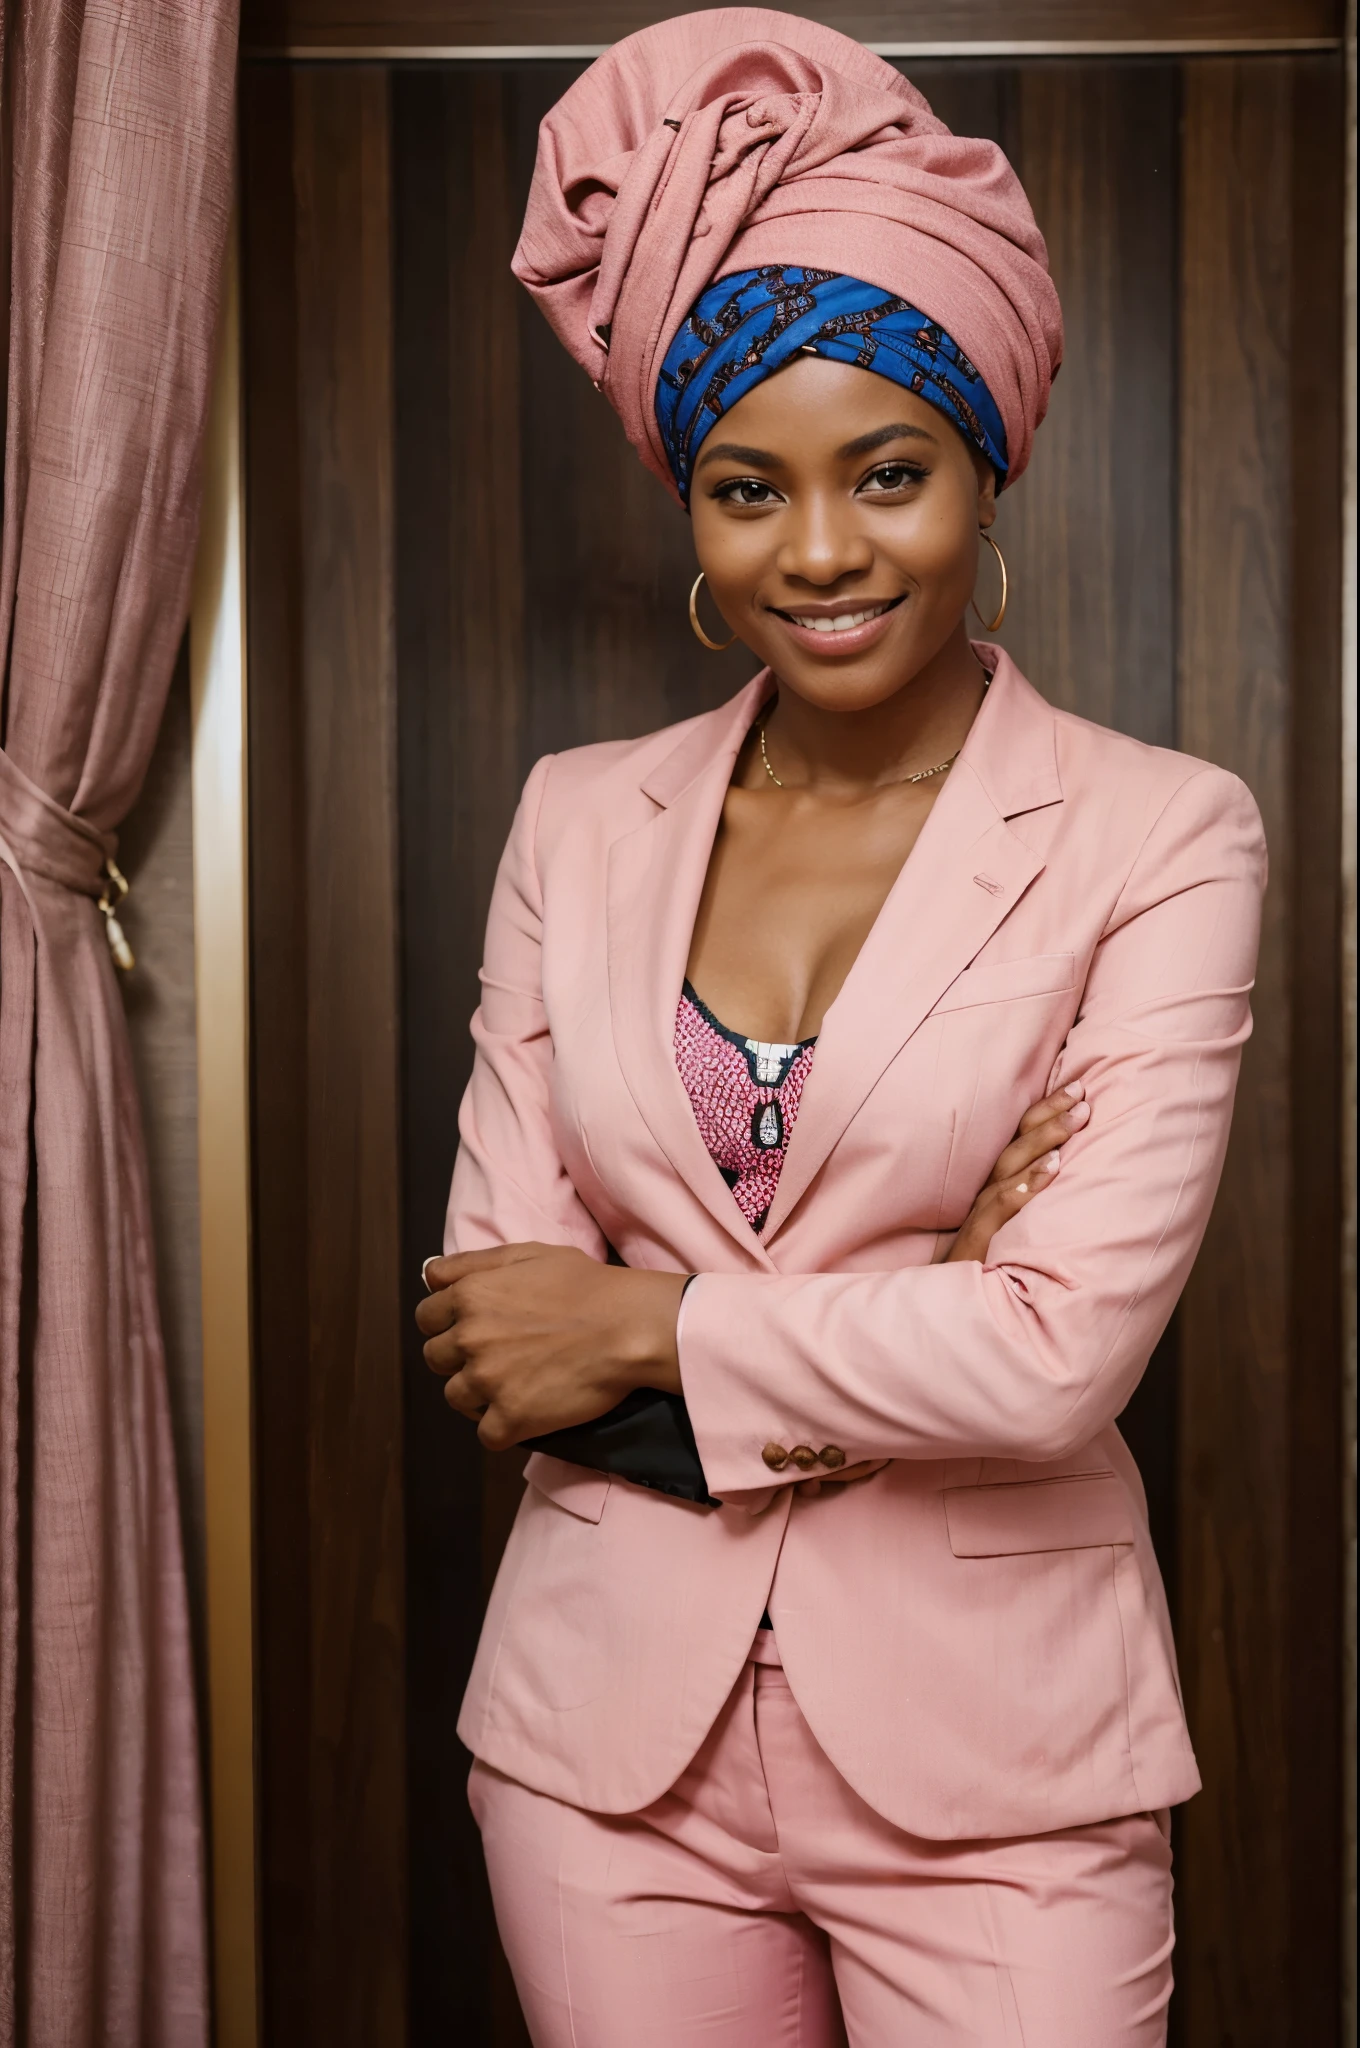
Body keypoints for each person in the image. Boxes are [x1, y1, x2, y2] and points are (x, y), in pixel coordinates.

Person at [416, 13, 1265, 2043]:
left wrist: (648, 1325)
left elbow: (1056, 1358)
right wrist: (930, 1298)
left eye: (883, 474)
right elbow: (493, 1338)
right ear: (687, 508)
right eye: (743, 490)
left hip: (1002, 1773)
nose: (815, 552)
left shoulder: (1160, 833)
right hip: (597, 1758)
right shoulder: (573, 817)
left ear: (981, 461)